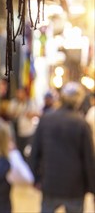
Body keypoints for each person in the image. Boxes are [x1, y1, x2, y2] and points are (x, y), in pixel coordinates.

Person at [30, 82, 95, 213]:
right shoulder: (82, 124)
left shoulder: (46, 119)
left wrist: (36, 178)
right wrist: (91, 187)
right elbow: (89, 159)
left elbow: (35, 151)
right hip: (75, 187)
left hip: (50, 183)